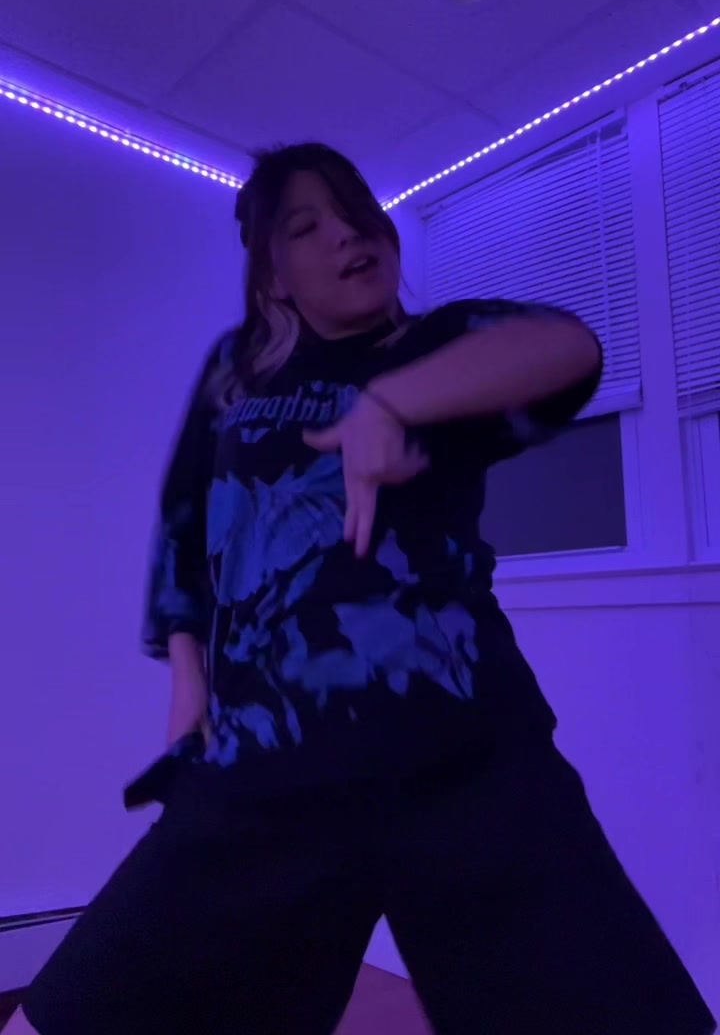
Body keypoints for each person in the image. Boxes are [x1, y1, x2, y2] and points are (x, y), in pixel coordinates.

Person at [12, 143, 715, 1035]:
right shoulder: (236, 373)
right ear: (272, 276)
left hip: (467, 760)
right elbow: (185, 521)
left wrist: (391, 403)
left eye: (357, 213)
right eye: (308, 227)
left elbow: (570, 348)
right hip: (264, 765)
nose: (348, 235)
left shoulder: (439, 342)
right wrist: (188, 682)